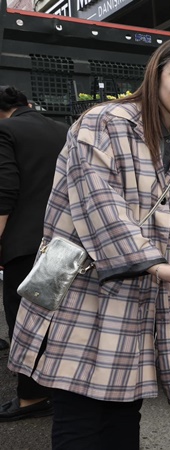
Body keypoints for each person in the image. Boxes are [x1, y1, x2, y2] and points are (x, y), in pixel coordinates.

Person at [7, 37, 170, 448]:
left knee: (124, 414)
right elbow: (99, 204)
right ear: (156, 75)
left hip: (139, 296)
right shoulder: (106, 121)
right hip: (83, 290)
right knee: (79, 415)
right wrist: (157, 264)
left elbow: (156, 214)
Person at [0, 86, 68, 421]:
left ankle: (32, 397)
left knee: (24, 323)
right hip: (65, 242)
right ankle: (61, 388)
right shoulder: (63, 129)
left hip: (25, 244)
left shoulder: (6, 130)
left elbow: (4, 192)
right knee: (57, 320)